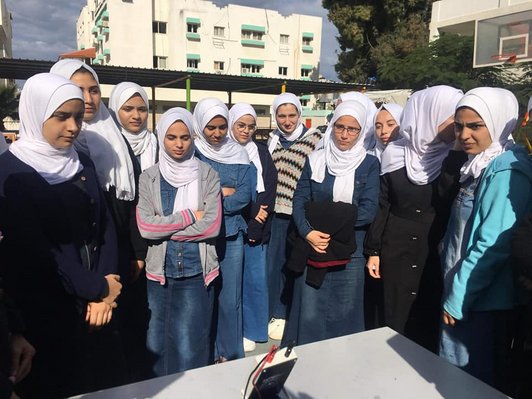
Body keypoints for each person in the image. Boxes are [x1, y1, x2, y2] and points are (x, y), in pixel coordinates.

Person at [0, 73, 125, 398]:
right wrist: (97, 289)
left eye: (78, 118)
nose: (72, 127)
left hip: (97, 309)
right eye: (61, 117)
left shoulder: (79, 161)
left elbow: (105, 224)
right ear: (35, 113)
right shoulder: (11, 173)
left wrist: (107, 287)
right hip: (46, 315)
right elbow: (41, 252)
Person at [50, 60, 149, 381]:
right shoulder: (54, 152)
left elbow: (133, 202)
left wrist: (137, 253)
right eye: (79, 90)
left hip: (118, 255)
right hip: (78, 266)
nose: (88, 99)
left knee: (124, 338)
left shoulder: (115, 139)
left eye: (94, 90)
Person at [439, 87, 532, 393]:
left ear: (499, 123)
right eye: (459, 125)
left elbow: (492, 246)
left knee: (465, 385)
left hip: (479, 303)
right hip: (466, 295)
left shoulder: (507, 172)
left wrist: (457, 299)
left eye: (475, 126)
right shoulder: (479, 166)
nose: (464, 134)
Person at [364, 85, 464, 352]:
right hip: (395, 244)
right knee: (394, 309)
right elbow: (383, 205)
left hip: (433, 246)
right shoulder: (395, 153)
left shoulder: (455, 156)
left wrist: (454, 152)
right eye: (451, 119)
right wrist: (373, 250)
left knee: (426, 311)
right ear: (427, 115)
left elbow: (445, 196)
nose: (457, 127)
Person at [284, 100, 379, 345]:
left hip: (351, 251)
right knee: (311, 316)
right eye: (339, 127)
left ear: (361, 131)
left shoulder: (368, 164)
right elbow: (300, 200)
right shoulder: (316, 159)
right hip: (314, 246)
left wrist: (323, 223)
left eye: (352, 129)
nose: (344, 135)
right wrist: (308, 233)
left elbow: (368, 211)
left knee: (345, 315)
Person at [136, 107, 222, 376]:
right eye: (171, 137)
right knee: (157, 341)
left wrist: (166, 226)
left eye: (185, 136)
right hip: (159, 270)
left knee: (191, 342)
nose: (179, 143)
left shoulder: (207, 174)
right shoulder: (149, 177)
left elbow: (212, 226)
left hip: (197, 269)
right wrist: (187, 216)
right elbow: (146, 227)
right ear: (161, 137)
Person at [193, 98, 252, 361]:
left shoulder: (238, 153)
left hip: (232, 236)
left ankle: (230, 354)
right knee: (202, 299)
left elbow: (244, 197)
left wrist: (211, 198)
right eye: (210, 128)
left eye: (221, 127)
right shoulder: (192, 152)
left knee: (230, 300)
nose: (217, 134)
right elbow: (191, 196)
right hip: (201, 238)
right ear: (200, 126)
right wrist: (222, 193)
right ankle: (205, 355)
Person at [266, 93, 322, 341]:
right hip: (276, 216)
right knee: (274, 265)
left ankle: (287, 312)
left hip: (299, 215)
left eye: (292, 115)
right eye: (281, 115)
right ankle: (275, 312)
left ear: (300, 115)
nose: (287, 121)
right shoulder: (272, 141)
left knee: (294, 264)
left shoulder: (315, 140)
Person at [228, 103, 278, 352]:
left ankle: (253, 329)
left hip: (257, 226)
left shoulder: (260, 151)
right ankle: (234, 331)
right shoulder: (221, 150)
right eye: (241, 125)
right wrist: (249, 211)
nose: (246, 131)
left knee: (255, 281)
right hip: (232, 226)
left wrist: (257, 222)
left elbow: (268, 187)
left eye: (250, 126)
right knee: (231, 284)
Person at [109, 82, 158, 172]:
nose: (136, 116)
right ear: (115, 110)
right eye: (128, 109)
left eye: (142, 109)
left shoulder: (156, 144)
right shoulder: (105, 144)